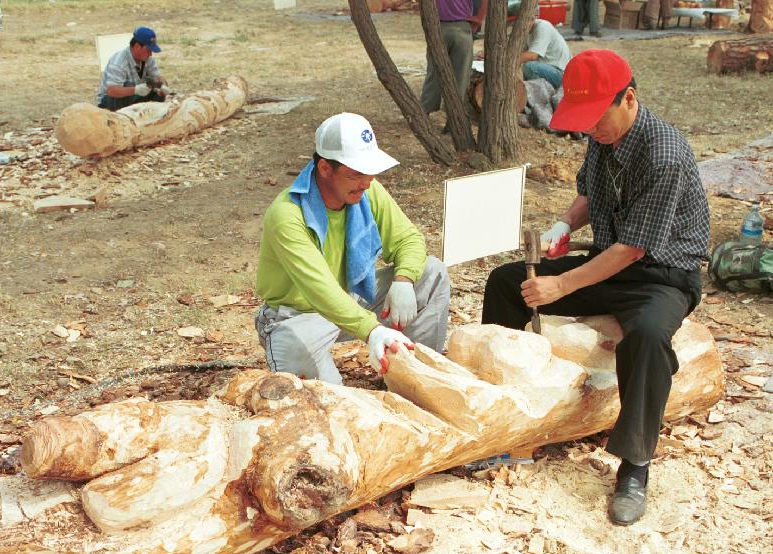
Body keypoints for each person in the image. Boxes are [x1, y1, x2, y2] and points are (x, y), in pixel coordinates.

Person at [482, 50, 709, 526]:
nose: (591, 130)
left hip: (662, 275)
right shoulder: (602, 137)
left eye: (596, 120)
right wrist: (563, 225)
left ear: (629, 99)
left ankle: (635, 465)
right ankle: (499, 406)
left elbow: (632, 250)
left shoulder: (664, 151)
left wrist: (561, 285)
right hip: (612, 262)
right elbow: (589, 193)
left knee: (646, 335)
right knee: (508, 281)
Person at [255, 112, 450, 384]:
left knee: (431, 273)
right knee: (324, 403)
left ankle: (416, 379)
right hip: (297, 315)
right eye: (356, 173)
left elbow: (409, 239)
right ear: (325, 168)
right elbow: (320, 289)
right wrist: (372, 331)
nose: (366, 181)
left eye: (370, 171)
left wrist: (404, 280)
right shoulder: (287, 215)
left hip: (354, 295)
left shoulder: (367, 191)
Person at [420, 0, 487, 115]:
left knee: (434, 72)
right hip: (461, 26)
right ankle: (454, 118)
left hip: (439, 25)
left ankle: (425, 110)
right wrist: (479, 18)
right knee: (460, 77)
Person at [97, 27, 168, 111]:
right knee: (128, 85)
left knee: (157, 93)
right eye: (148, 50)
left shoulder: (148, 59)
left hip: (133, 98)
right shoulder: (119, 62)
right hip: (110, 102)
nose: (150, 54)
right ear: (137, 46)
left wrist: (162, 85)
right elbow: (111, 91)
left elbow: (157, 77)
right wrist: (136, 90)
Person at [519, 14, 571, 90]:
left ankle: (543, 96)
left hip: (562, 74)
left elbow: (532, 56)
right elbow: (521, 53)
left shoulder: (543, 27)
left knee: (530, 67)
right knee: (525, 69)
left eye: (525, 22)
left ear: (533, 19)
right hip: (550, 69)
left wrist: (509, 62)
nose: (522, 26)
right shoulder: (527, 31)